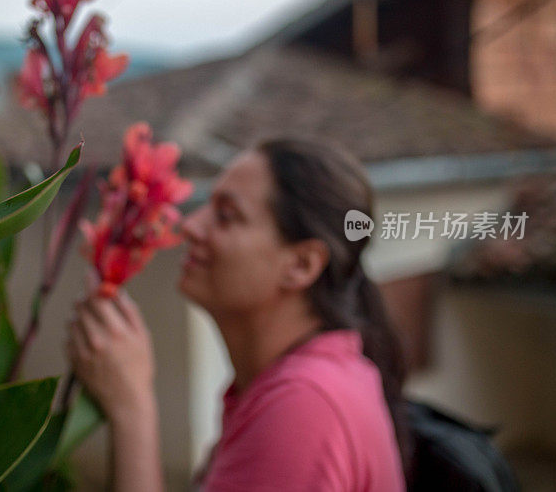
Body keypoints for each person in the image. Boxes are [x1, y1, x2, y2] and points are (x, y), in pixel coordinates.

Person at [66, 138, 409, 491]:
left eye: (226, 215)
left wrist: (131, 410)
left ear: (301, 264)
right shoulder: (286, 386)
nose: (190, 226)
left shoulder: (303, 407)